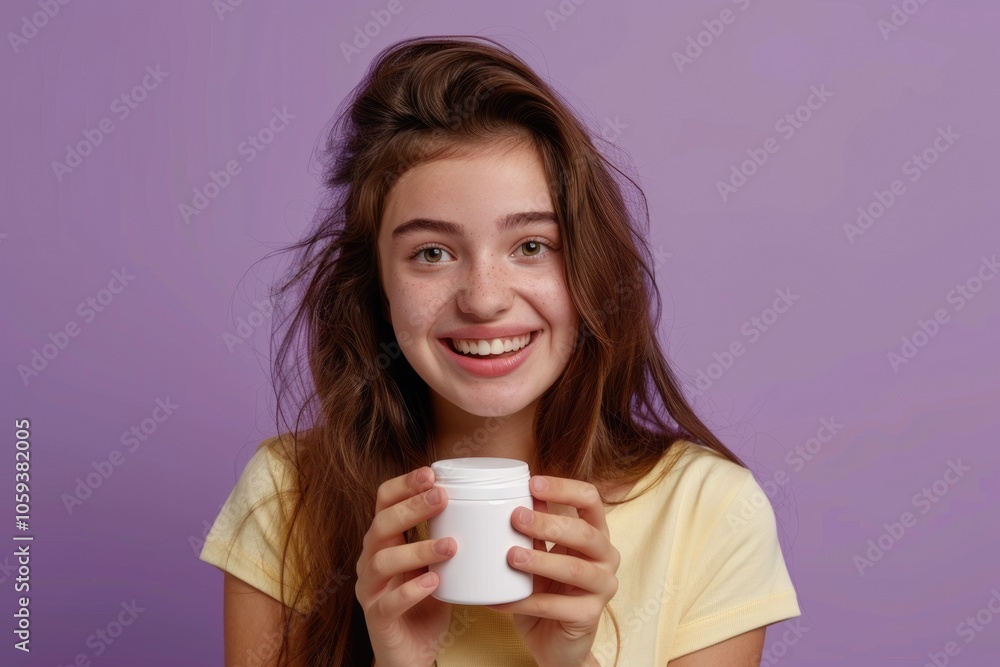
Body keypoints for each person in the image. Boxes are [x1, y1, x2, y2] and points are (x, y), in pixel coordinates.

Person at [198, 34, 801, 666]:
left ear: (590, 269)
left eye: (531, 246)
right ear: (376, 286)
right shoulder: (289, 497)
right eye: (431, 252)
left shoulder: (708, 511)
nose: (484, 300)